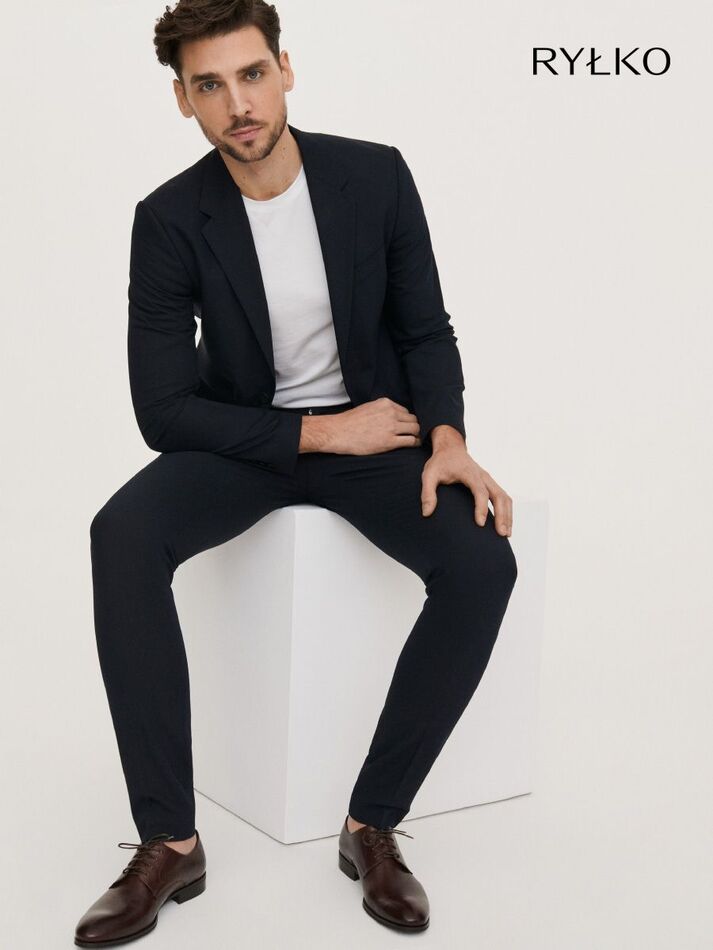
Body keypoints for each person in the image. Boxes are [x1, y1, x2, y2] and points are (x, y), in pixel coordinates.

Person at [74, 0, 518, 944]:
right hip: (246, 444)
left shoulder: (374, 175)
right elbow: (163, 412)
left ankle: (372, 825)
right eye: (209, 85)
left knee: (483, 561)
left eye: (250, 75)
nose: (237, 104)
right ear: (183, 100)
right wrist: (319, 434)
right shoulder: (168, 219)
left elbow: (424, 329)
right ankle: (170, 841)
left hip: (379, 437)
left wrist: (446, 439)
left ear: (284, 70)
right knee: (122, 535)